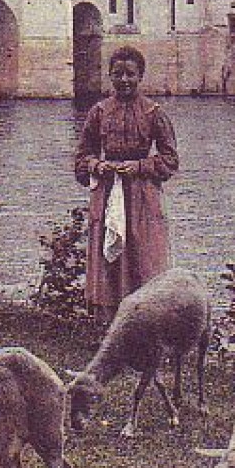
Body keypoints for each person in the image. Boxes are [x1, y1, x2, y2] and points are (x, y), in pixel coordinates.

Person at [73, 46, 179, 323]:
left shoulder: (154, 113)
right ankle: (107, 320)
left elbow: (170, 160)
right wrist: (98, 166)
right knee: (109, 256)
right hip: (108, 193)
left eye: (130, 74)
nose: (124, 80)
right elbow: (82, 159)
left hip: (143, 195)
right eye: (117, 74)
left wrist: (141, 167)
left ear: (140, 76)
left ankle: (146, 320)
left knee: (144, 253)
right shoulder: (99, 112)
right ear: (109, 76)